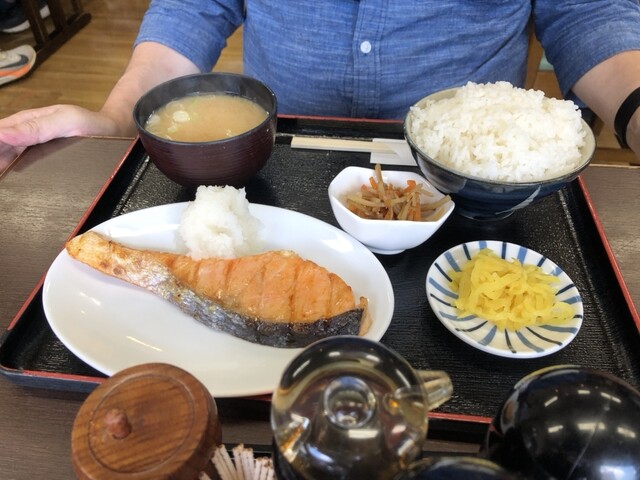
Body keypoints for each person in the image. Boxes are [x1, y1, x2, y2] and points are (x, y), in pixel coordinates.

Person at [1, 0, 639, 167]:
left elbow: (588, 13)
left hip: (470, 172)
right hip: (271, 160)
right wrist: (118, 120)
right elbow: (195, 7)